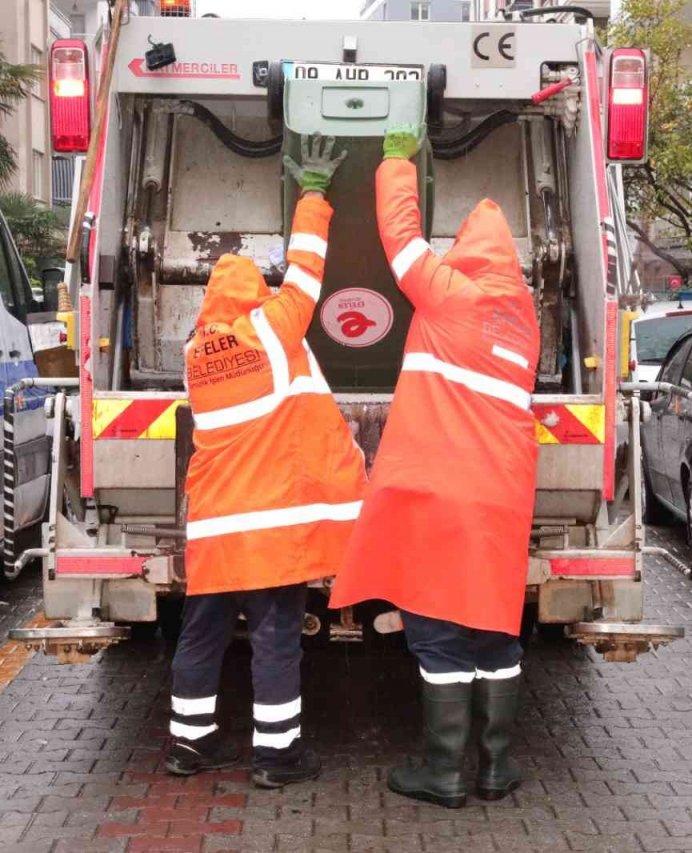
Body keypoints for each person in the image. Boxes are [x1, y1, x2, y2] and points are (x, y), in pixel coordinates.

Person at [329, 125, 540, 808]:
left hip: (441, 490)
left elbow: (401, 240)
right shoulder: (525, 321)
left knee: (438, 628)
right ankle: (496, 768)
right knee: (495, 625)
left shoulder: (453, 295)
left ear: (468, 256)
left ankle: (444, 771)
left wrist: (395, 161)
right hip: (504, 493)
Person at [168, 134, 366, 789]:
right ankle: (277, 757)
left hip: (213, 528)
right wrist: (313, 192)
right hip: (269, 530)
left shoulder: (195, 354)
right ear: (256, 293)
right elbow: (307, 270)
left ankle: (189, 745)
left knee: (200, 635)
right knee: (276, 637)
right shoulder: (272, 330)